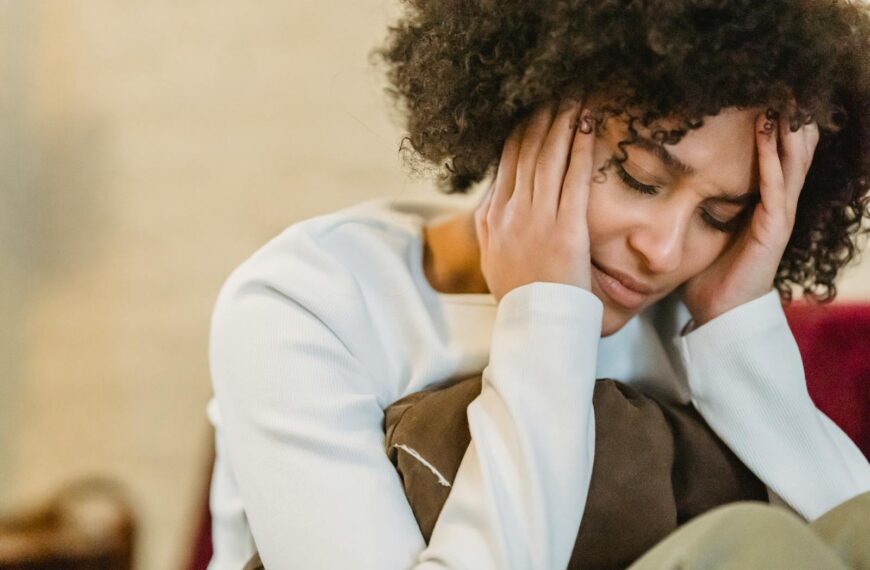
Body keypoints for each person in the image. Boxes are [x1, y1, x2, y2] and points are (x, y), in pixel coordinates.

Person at [205, 1, 870, 568]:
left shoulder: (688, 329)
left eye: (719, 214)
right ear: (528, 98)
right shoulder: (306, 306)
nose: (664, 250)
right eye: (639, 175)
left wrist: (740, 331)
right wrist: (545, 319)